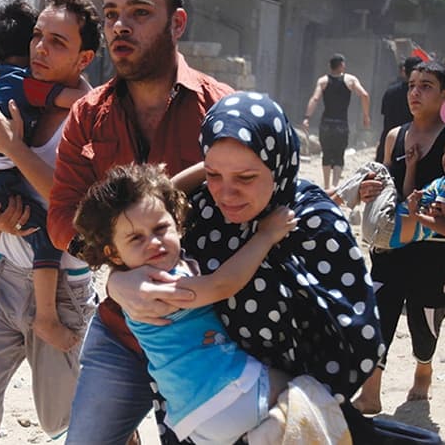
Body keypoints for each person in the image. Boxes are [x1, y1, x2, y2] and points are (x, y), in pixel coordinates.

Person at [109, 92, 403, 444]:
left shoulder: (311, 220)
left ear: (277, 165)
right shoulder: (200, 212)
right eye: (213, 174)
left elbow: (352, 330)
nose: (226, 193)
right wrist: (117, 280)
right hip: (201, 416)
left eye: (245, 177)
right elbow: (134, 218)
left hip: (289, 418)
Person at [43, 0, 235, 445]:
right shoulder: (87, 115)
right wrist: (118, 271)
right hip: (122, 332)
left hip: (206, 337)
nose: (120, 26)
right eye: (110, 15)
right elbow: (62, 217)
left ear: (177, 23)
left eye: (139, 12)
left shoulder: (221, 109)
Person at [0, 0, 101, 445]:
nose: (40, 48)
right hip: (5, 279)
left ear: (84, 58)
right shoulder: (23, 95)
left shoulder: (90, 117)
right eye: (38, 36)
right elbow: (7, 185)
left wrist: (13, 147)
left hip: (62, 291)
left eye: (57, 42)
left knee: (68, 418)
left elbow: (70, 204)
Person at [74, 162, 297, 444]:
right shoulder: (157, 286)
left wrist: (212, 165)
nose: (153, 242)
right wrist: (267, 235)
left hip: (195, 418)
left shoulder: (144, 274)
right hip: (227, 392)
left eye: (160, 228)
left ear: (177, 223)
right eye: (136, 238)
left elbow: (164, 192)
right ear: (114, 255)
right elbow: (222, 284)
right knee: (302, 390)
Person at [352, 61, 445, 415]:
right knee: (379, 312)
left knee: (425, 317)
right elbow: (385, 181)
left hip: (436, 251)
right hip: (393, 243)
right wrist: (369, 191)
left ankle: (423, 369)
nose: (415, 92)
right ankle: (371, 391)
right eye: (412, 84)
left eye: (426, 86)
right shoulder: (394, 136)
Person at [333, 128, 445, 250]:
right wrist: (411, 167)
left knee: (377, 169)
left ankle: (332, 202)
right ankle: (333, 198)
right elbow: (408, 196)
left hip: (386, 226)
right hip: (387, 237)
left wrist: (417, 215)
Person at [302, 53, 371, 188]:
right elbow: (364, 94)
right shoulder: (350, 80)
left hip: (326, 123)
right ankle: (335, 186)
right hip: (341, 124)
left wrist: (307, 117)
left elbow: (315, 98)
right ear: (342, 65)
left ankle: (326, 186)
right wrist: (365, 115)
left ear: (330, 66)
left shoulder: (323, 81)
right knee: (339, 155)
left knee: (326, 153)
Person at [376, 56, 422, 164]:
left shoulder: (390, 92)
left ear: (404, 71)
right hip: (411, 147)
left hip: (388, 144)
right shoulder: (422, 95)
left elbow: (386, 118)